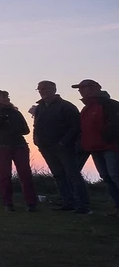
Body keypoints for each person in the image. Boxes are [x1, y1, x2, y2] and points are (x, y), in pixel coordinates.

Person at [32, 80, 89, 214]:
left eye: (45, 89)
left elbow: (75, 127)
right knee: (58, 175)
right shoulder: (40, 107)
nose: (42, 91)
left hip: (64, 147)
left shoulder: (66, 106)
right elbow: (37, 126)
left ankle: (83, 205)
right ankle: (67, 202)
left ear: (54, 89)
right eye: (40, 89)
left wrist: (63, 143)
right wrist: (37, 141)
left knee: (73, 175)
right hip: (46, 147)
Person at [0, 90, 37, 211]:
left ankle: (31, 203)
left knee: (25, 174)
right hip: (0, 146)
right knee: (5, 175)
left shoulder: (15, 112)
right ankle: (7, 203)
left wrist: (14, 129)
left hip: (19, 145)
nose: (7, 99)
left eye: (7, 96)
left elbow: (26, 130)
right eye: (3, 97)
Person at [74, 79, 119, 216]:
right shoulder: (86, 109)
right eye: (80, 88)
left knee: (115, 176)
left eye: (83, 88)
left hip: (111, 147)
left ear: (94, 88)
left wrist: (107, 138)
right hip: (94, 148)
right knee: (106, 177)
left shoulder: (110, 104)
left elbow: (115, 124)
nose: (80, 90)